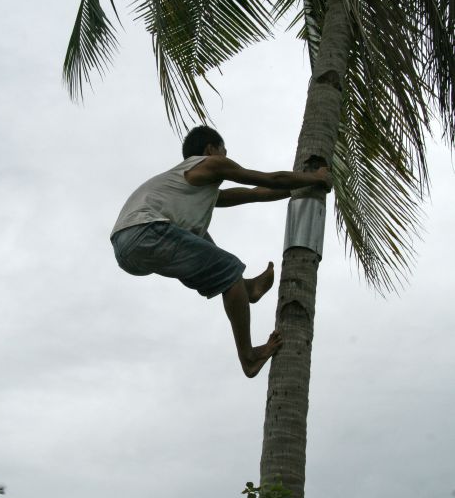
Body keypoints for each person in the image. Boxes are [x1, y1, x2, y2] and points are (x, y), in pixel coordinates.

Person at [111, 125, 332, 378]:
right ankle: (248, 357)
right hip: (143, 232)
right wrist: (316, 177)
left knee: (198, 234)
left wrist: (301, 188)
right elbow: (268, 179)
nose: (227, 158)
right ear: (210, 150)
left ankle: (247, 289)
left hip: (127, 249)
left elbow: (255, 194)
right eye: (224, 152)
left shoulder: (194, 188)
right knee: (228, 268)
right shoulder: (209, 165)